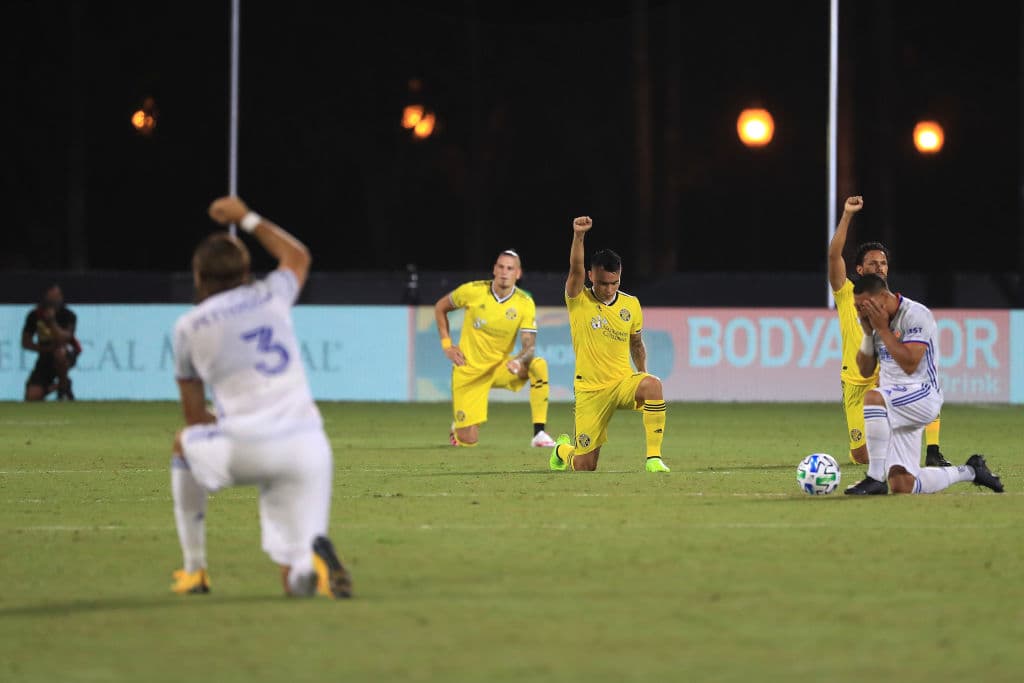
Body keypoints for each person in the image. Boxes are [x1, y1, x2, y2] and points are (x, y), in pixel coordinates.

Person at [168, 195, 352, 598]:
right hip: (308, 445)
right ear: (247, 271)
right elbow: (298, 256)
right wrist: (245, 217)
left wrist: (230, 424)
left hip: (248, 446)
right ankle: (312, 564)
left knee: (183, 443)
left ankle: (195, 569)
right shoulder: (272, 296)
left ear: (198, 276)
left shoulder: (188, 327)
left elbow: (195, 416)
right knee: (295, 574)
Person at [843, 274, 1003, 495]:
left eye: (863, 306)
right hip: (896, 404)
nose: (860, 312)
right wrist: (869, 333)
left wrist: (882, 330)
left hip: (923, 396)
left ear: (881, 297)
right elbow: (865, 370)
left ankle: (874, 478)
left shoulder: (916, 315)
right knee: (902, 483)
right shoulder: (876, 322)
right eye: (857, 307)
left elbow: (909, 363)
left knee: (873, 398)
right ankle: (971, 471)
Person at [828, 196, 950, 467]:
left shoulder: (897, 305)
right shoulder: (846, 293)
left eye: (883, 263)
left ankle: (932, 449)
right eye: (872, 263)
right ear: (859, 269)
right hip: (855, 384)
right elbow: (834, 255)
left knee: (923, 377)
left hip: (885, 380)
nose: (879, 267)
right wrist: (847, 215)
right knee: (861, 456)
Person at [548, 216, 670, 473]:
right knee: (584, 466)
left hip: (621, 382)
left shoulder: (630, 304)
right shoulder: (578, 299)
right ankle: (561, 450)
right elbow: (575, 269)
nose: (609, 289)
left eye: (615, 283)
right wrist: (578, 236)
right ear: (591, 275)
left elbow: (636, 343)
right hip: (590, 390)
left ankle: (654, 459)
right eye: (603, 283)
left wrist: (642, 371)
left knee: (653, 384)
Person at [434, 250, 557, 448]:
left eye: (510, 268)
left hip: (500, 369)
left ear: (518, 273)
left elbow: (529, 346)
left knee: (538, 365)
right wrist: (447, 346)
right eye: (500, 267)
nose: (504, 272)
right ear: (494, 269)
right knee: (469, 440)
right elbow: (440, 307)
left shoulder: (524, 303)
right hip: (469, 371)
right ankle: (459, 426)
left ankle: (539, 433)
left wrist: (518, 360)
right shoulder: (472, 291)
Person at [22, 285, 81, 401]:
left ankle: (63, 388)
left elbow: (65, 338)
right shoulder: (35, 315)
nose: (56, 300)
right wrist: (45, 349)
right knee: (31, 397)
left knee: (60, 353)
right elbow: (25, 342)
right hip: (45, 356)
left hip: (67, 353)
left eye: (58, 296)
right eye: (52, 297)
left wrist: (52, 321)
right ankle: (60, 385)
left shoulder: (68, 315)